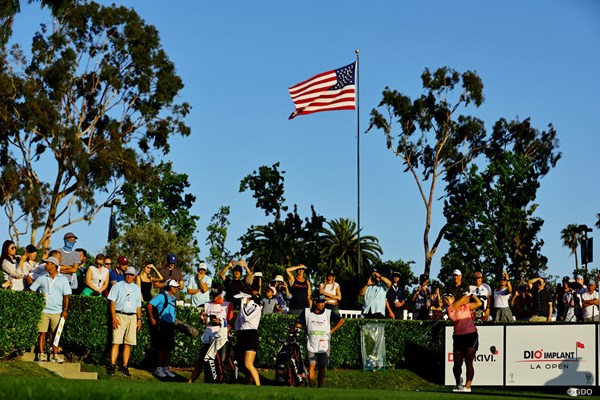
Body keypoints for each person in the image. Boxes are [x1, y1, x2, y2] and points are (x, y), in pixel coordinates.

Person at [296, 293, 345, 388]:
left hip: (324, 344)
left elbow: (341, 321)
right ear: (315, 302)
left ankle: (320, 387)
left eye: (323, 302)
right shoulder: (306, 312)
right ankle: (312, 387)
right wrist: (300, 329)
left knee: (322, 367)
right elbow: (298, 324)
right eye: (320, 302)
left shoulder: (328, 312)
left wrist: (331, 331)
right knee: (311, 366)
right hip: (312, 342)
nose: (322, 304)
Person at [188, 284, 234, 384]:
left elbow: (230, 322)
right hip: (208, 336)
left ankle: (222, 382)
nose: (214, 297)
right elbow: (205, 322)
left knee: (220, 362)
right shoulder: (207, 304)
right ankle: (190, 382)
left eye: (216, 295)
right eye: (213, 295)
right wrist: (202, 320)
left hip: (220, 338)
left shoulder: (227, 305)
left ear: (221, 294)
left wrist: (221, 322)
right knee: (201, 362)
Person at [29, 256, 71, 363]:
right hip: (44, 310)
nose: (45, 265)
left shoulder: (63, 279)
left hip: (57, 311)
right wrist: (37, 301)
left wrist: (65, 310)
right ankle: (41, 354)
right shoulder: (42, 278)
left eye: (47, 263)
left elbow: (66, 296)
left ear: (53, 265)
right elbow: (31, 290)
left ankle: (55, 355)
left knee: (56, 333)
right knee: (42, 332)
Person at [442, 291, 483, 393]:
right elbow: (458, 302)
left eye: (448, 298)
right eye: (445, 300)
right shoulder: (450, 309)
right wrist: (467, 294)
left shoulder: (465, 306)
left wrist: (472, 295)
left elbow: (479, 303)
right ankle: (458, 382)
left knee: (469, 361)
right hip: (458, 337)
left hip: (471, 335)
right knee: (457, 365)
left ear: (453, 297)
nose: (446, 301)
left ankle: (468, 387)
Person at [107, 266, 143, 377]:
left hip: (132, 317)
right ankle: (112, 365)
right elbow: (112, 302)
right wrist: (114, 317)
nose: (129, 276)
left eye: (131, 274)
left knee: (128, 343)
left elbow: (138, 306)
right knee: (116, 342)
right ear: (124, 274)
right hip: (120, 315)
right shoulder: (117, 286)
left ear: (134, 276)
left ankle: (124, 366)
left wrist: (139, 319)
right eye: (127, 274)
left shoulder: (137, 288)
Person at [147, 279, 180, 378]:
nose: (176, 289)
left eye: (176, 287)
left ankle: (166, 368)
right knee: (162, 347)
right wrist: (152, 318)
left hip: (170, 325)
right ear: (169, 287)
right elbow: (149, 305)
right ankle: (159, 368)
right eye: (174, 287)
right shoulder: (161, 296)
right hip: (163, 324)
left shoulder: (173, 299)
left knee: (168, 348)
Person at [234, 291, 262, 385]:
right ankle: (248, 385)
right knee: (243, 365)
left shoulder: (255, 306)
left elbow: (246, 318)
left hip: (250, 335)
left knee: (248, 364)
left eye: (241, 299)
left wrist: (242, 305)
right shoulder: (243, 308)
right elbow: (238, 322)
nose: (240, 301)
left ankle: (258, 386)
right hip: (242, 335)